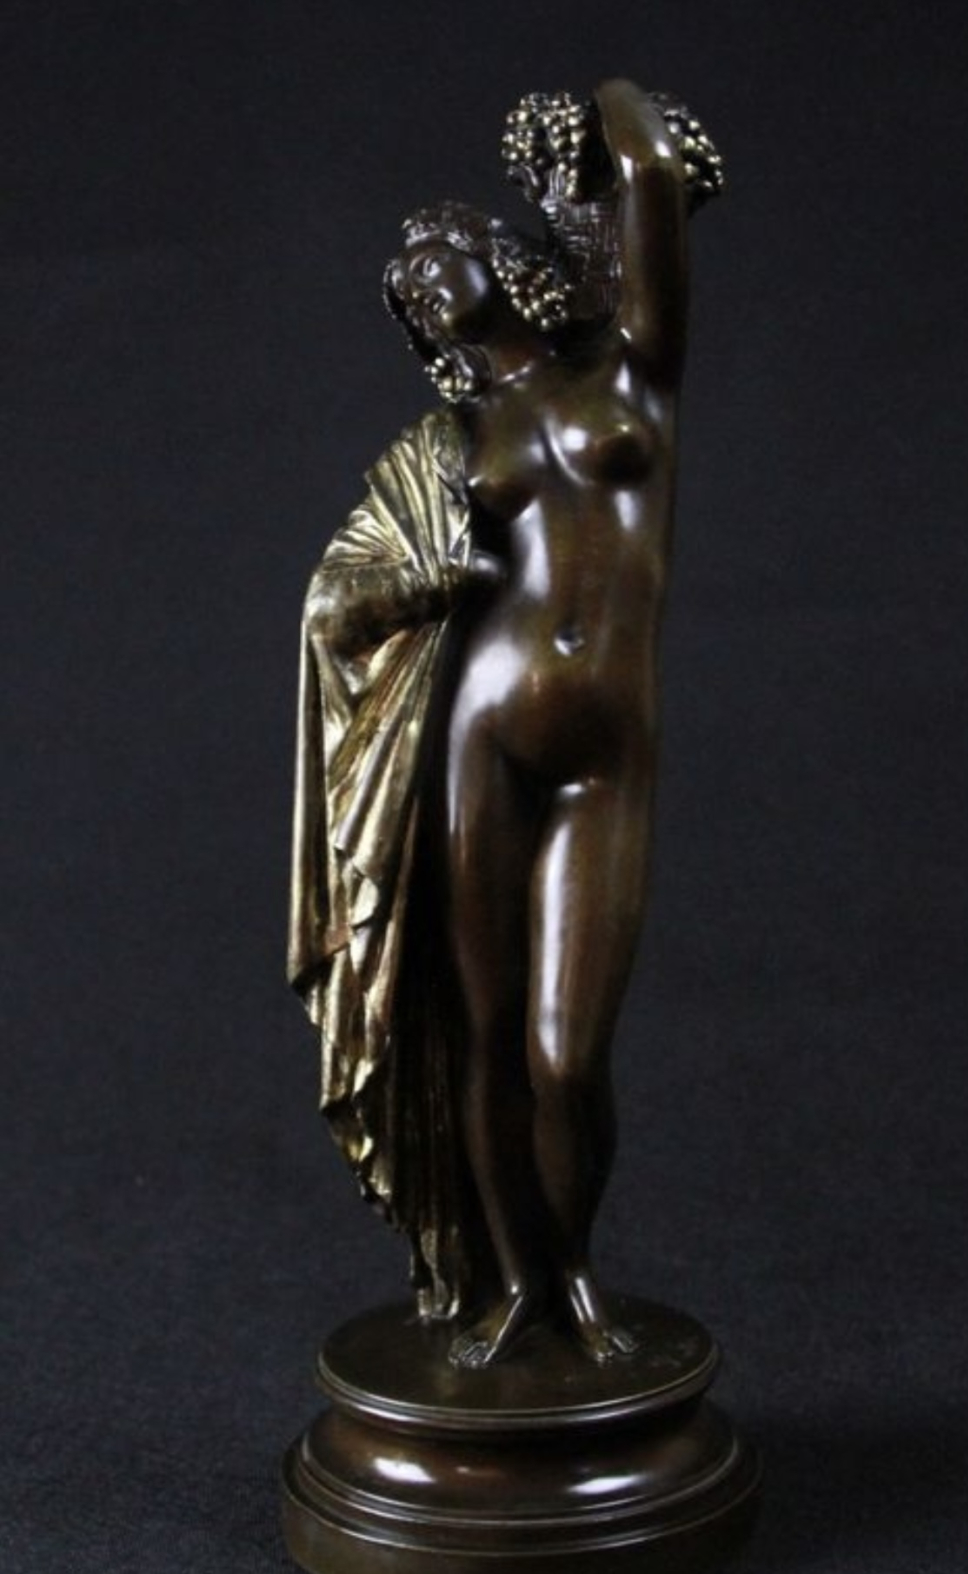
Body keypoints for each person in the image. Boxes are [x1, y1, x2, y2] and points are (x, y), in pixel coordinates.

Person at [290, 80, 720, 1367]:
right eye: (405, 292)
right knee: (479, 1034)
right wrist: (422, 581)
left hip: (607, 751)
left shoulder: (634, 366)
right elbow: (337, 597)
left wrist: (591, 124)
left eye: (433, 260)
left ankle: (575, 1268)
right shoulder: (446, 443)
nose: (421, 289)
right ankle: (523, 1282)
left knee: (564, 1051)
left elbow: (650, 169)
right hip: (477, 735)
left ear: (498, 255)